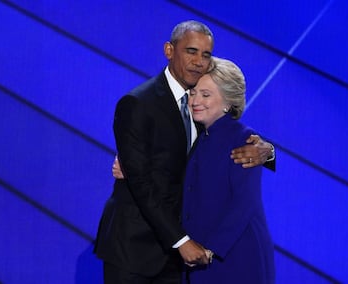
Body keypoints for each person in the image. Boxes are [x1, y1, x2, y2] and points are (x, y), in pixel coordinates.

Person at [94, 20, 275, 284]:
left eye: (206, 54)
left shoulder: (205, 114)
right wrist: (181, 241)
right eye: (191, 51)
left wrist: (268, 151)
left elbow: (232, 145)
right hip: (136, 250)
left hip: (184, 257)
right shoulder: (137, 103)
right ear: (169, 50)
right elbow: (142, 181)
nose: (199, 61)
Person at [181, 57, 275, 284]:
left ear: (227, 103)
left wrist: (211, 249)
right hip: (198, 258)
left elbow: (245, 203)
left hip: (234, 259)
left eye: (206, 95)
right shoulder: (198, 134)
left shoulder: (243, 139)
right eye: (193, 92)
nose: (195, 100)